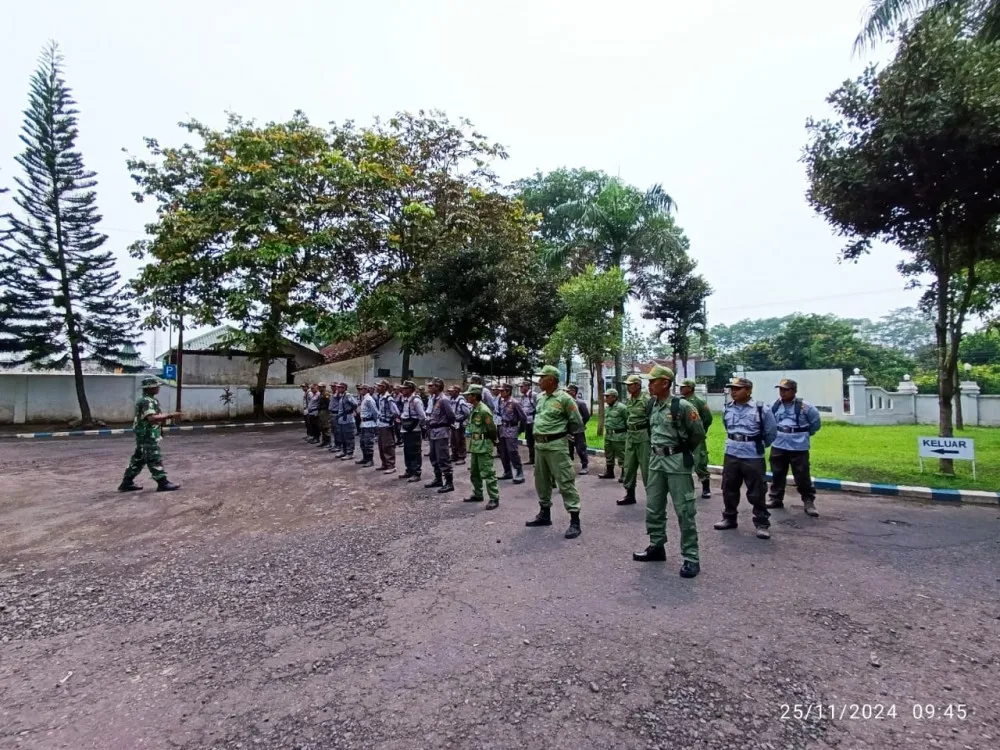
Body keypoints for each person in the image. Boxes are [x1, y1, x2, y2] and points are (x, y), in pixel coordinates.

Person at [632, 366, 706, 578]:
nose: (649, 384)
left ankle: (691, 557)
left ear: (665, 383)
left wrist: (679, 451)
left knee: (684, 510)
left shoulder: (681, 406)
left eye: (653, 381)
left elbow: (697, 433)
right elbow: (650, 429)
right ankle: (657, 546)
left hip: (676, 462)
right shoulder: (651, 405)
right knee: (654, 507)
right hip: (655, 461)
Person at [713, 377, 777, 540]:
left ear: (748, 390)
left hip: (752, 455)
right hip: (732, 452)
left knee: (757, 491)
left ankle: (762, 523)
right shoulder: (728, 408)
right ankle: (729, 518)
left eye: (737, 388)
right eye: (732, 388)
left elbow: (770, 433)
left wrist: (757, 445)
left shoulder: (762, 409)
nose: (733, 391)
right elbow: (727, 427)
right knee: (728, 488)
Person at [525, 365, 584, 539]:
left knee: (565, 481)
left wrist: (564, 435)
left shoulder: (565, 398)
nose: (539, 380)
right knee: (541, 482)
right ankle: (544, 515)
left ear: (551, 379)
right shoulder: (541, 398)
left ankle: (575, 521)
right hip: (540, 446)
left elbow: (577, 422)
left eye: (542, 377)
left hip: (556, 446)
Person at [767, 378, 822, 517]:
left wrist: (803, 434)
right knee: (777, 473)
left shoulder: (805, 407)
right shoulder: (774, 405)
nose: (782, 392)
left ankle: (808, 501)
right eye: (781, 389)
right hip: (779, 444)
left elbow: (815, 424)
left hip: (798, 446)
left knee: (802, 475)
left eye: (786, 390)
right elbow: (769, 422)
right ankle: (776, 498)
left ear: (794, 391)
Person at [118, 376, 181, 493]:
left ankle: (127, 482)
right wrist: (170, 415)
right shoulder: (147, 401)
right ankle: (163, 482)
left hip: (146, 433)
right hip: (147, 434)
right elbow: (151, 418)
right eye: (156, 386)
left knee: (139, 459)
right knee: (153, 457)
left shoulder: (149, 400)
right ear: (150, 388)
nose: (158, 388)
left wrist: (160, 430)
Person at [461, 384, 500, 510]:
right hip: (475, 445)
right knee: (475, 472)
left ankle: (494, 498)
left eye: (469, 395)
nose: (467, 397)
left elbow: (492, 428)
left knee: (488, 473)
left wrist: (493, 440)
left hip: (484, 445)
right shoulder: (474, 408)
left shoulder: (483, 410)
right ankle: (478, 494)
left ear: (475, 396)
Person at [620, 374, 652, 506]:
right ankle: (630, 494)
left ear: (637, 385)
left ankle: (652, 497)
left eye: (630, 385)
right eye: (627, 385)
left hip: (643, 435)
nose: (627, 387)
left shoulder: (647, 399)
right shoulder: (630, 400)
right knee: (628, 466)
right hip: (631, 435)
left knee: (646, 467)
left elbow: (652, 419)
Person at [680, 378, 714, 498]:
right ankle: (686, 487)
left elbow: (708, 418)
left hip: (697, 436)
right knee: (683, 461)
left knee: (700, 461)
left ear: (690, 388)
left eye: (683, 387)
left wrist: (700, 431)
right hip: (684, 437)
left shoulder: (698, 401)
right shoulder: (680, 401)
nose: (681, 389)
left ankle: (706, 487)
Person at [424, 378, 457, 493]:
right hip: (433, 431)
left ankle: (449, 482)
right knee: (433, 457)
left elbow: (451, 416)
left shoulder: (443, 400)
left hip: (441, 431)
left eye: (431, 386)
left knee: (443, 457)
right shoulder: (433, 399)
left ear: (437, 387)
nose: (429, 388)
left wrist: (445, 424)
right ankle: (438, 479)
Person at [496, 383, 528, 484]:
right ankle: (507, 471)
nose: (500, 392)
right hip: (502, 428)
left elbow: (523, 418)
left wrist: (520, 430)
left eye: (502, 391)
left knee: (512, 452)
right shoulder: (500, 401)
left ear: (508, 391)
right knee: (503, 452)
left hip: (511, 429)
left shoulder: (514, 403)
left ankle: (519, 472)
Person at [399, 380, 426, 482]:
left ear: (410, 389)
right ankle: (409, 470)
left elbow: (422, 416)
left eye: (405, 388)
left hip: (414, 429)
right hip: (406, 428)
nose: (403, 390)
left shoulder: (416, 400)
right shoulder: (405, 399)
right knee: (407, 450)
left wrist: (419, 425)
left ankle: (416, 473)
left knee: (415, 451)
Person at [599, 388, 628, 480]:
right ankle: (609, 472)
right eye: (605, 396)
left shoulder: (622, 408)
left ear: (614, 397)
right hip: (608, 436)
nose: (606, 398)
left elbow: (628, 421)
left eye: (608, 396)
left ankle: (624, 475)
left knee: (622, 456)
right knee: (609, 454)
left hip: (619, 436)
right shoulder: (608, 408)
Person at [565, 383, 591, 475]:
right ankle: (569, 466)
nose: (567, 392)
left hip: (578, 430)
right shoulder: (565, 402)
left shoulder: (580, 403)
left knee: (581, 449)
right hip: (567, 430)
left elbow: (586, 416)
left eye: (569, 391)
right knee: (568, 449)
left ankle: (585, 466)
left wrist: (580, 424)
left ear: (574, 392)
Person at [374, 380, 399, 473]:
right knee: (381, 445)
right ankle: (384, 463)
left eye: (379, 386)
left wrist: (390, 419)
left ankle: (391, 465)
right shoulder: (381, 397)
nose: (377, 388)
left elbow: (396, 412)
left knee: (388, 445)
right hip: (381, 424)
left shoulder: (389, 398)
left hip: (387, 425)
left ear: (384, 387)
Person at [357, 384, 378, 467]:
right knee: (362, 442)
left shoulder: (369, 399)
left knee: (368, 442)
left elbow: (375, 412)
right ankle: (365, 458)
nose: (360, 391)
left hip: (369, 423)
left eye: (361, 389)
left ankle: (370, 460)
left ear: (366, 390)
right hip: (363, 424)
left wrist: (376, 424)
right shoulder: (364, 399)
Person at [449, 385, 471, 465]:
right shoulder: (451, 399)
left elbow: (467, 412)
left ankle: (461, 457)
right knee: (453, 440)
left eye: (452, 391)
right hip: (453, 423)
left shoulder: (461, 400)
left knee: (460, 440)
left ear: (457, 391)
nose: (450, 392)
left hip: (460, 423)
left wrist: (460, 419)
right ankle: (454, 455)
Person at [517, 379, 538, 464]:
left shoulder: (533, 395)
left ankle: (537, 460)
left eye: (522, 387)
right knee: (529, 440)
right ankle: (532, 459)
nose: (520, 389)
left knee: (535, 440)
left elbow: (538, 408)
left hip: (534, 421)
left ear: (527, 387)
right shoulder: (523, 397)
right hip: (527, 421)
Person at [336, 383, 358, 460]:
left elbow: (355, 404)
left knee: (349, 437)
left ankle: (350, 453)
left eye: (339, 388)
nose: (338, 389)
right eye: (338, 388)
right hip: (342, 419)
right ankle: (344, 451)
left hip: (348, 419)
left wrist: (350, 410)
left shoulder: (348, 395)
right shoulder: (342, 396)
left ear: (344, 388)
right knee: (342, 437)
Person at [328, 383, 344, 455]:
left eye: (334, 387)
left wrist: (337, 392)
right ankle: (335, 444)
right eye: (332, 387)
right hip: (332, 413)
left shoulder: (338, 394)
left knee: (337, 431)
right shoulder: (332, 394)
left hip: (336, 413)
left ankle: (338, 445)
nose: (332, 388)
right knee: (334, 431)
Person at [316, 383, 332, 448]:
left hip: (325, 411)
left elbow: (328, 403)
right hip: (321, 411)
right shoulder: (321, 394)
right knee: (322, 426)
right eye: (318, 387)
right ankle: (324, 441)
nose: (319, 388)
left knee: (326, 426)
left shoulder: (326, 394)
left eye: (320, 387)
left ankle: (328, 441)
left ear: (324, 387)